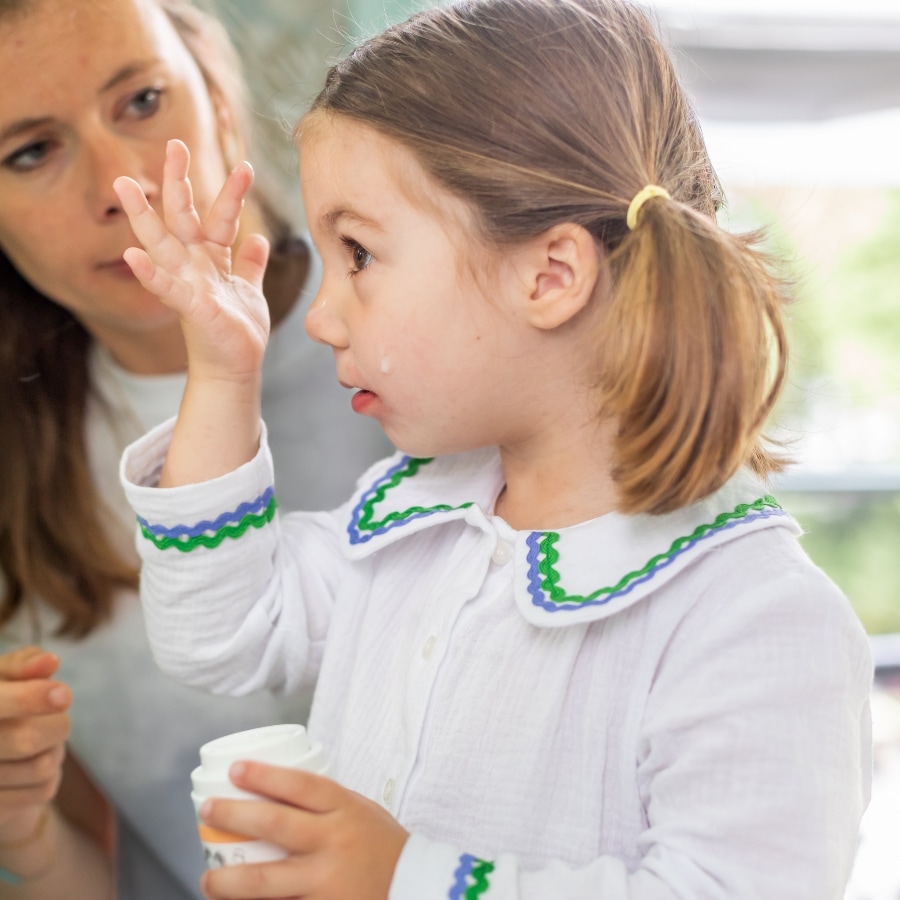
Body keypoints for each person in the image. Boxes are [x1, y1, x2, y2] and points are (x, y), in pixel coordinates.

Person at [116, 0, 874, 897]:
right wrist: (222, 371)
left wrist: (410, 880)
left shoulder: (751, 617)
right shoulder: (409, 523)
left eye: (357, 253)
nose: (318, 318)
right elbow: (218, 631)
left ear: (548, 276)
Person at [0, 0, 388, 897]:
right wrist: (24, 839)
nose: (119, 183)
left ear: (216, 97)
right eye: (30, 151)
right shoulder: (22, 471)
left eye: (141, 101)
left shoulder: (432, 356)